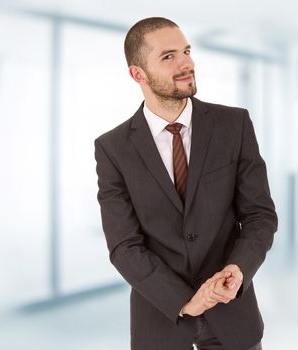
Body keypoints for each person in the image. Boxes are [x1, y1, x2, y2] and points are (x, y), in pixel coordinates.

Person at [94, 17, 277, 350]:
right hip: (162, 322)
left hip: (233, 315)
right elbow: (123, 245)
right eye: (168, 56)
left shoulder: (233, 126)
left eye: (187, 51)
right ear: (138, 74)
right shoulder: (113, 148)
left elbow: (260, 215)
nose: (187, 63)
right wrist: (185, 302)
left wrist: (238, 270)